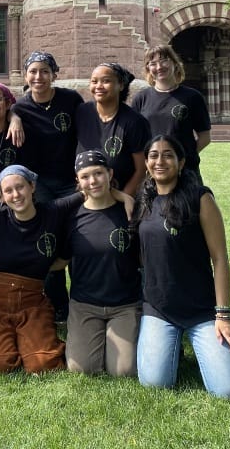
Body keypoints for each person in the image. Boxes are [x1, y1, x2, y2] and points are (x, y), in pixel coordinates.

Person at [133, 135, 230, 398]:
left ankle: (199, 343)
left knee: (229, 390)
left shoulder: (200, 198)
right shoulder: (144, 200)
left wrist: (224, 315)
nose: (160, 161)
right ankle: (170, 345)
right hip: (159, 308)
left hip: (201, 310)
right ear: (147, 163)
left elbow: (219, 258)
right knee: (154, 383)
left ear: (182, 163)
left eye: (168, 155)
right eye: (154, 155)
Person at [0, 165, 78, 374]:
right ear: (1, 195)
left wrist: (121, 195)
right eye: (8, 190)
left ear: (32, 186)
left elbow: (88, 192)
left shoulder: (52, 212)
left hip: (32, 302)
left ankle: (29, 341)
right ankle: (4, 340)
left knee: (44, 364)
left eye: (20, 187)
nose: (15, 195)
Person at [11, 51, 83, 323]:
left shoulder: (70, 100)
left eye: (44, 71)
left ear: (54, 74)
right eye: (33, 71)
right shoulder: (20, 107)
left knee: (78, 238)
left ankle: (82, 300)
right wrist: (15, 117)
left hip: (70, 182)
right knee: (48, 240)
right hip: (40, 184)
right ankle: (58, 307)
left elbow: (84, 134)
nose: (38, 77)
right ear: (26, 75)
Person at [60, 150, 142, 377]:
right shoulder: (72, 217)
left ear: (110, 173)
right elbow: (60, 258)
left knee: (124, 371)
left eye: (98, 173)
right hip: (85, 305)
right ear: (78, 181)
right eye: (85, 176)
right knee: (81, 369)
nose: (93, 181)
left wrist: (124, 196)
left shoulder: (129, 211)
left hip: (124, 304)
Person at [131, 44, 212, 183]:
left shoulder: (193, 97)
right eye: (153, 63)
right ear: (148, 69)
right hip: (153, 171)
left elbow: (205, 138)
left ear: (175, 64)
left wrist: (182, 158)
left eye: (164, 61)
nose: (159, 67)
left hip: (185, 171)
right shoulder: (141, 98)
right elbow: (135, 138)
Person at [76, 62, 150, 212]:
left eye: (106, 81)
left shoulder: (134, 122)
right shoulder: (82, 112)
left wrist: (122, 200)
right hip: (85, 197)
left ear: (121, 85)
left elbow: (141, 170)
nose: (99, 86)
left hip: (120, 200)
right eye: (94, 81)